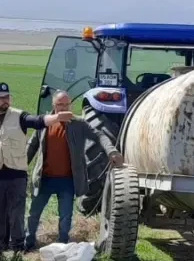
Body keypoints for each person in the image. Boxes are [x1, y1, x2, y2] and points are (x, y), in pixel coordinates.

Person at [0, 82, 73, 261]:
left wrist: (57, 117)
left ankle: (17, 250)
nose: (5, 101)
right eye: (1, 98)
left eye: (7, 97)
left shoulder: (19, 116)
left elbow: (39, 121)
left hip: (16, 176)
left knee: (16, 214)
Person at [25, 91, 124, 248]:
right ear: (53, 105)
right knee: (34, 213)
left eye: (66, 104)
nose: (63, 108)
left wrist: (111, 150)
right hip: (45, 178)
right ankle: (28, 243)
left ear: (70, 105)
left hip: (67, 180)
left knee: (65, 216)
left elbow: (99, 135)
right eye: (60, 105)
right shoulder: (45, 123)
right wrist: (21, 165)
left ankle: (63, 245)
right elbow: (32, 146)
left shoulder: (79, 124)